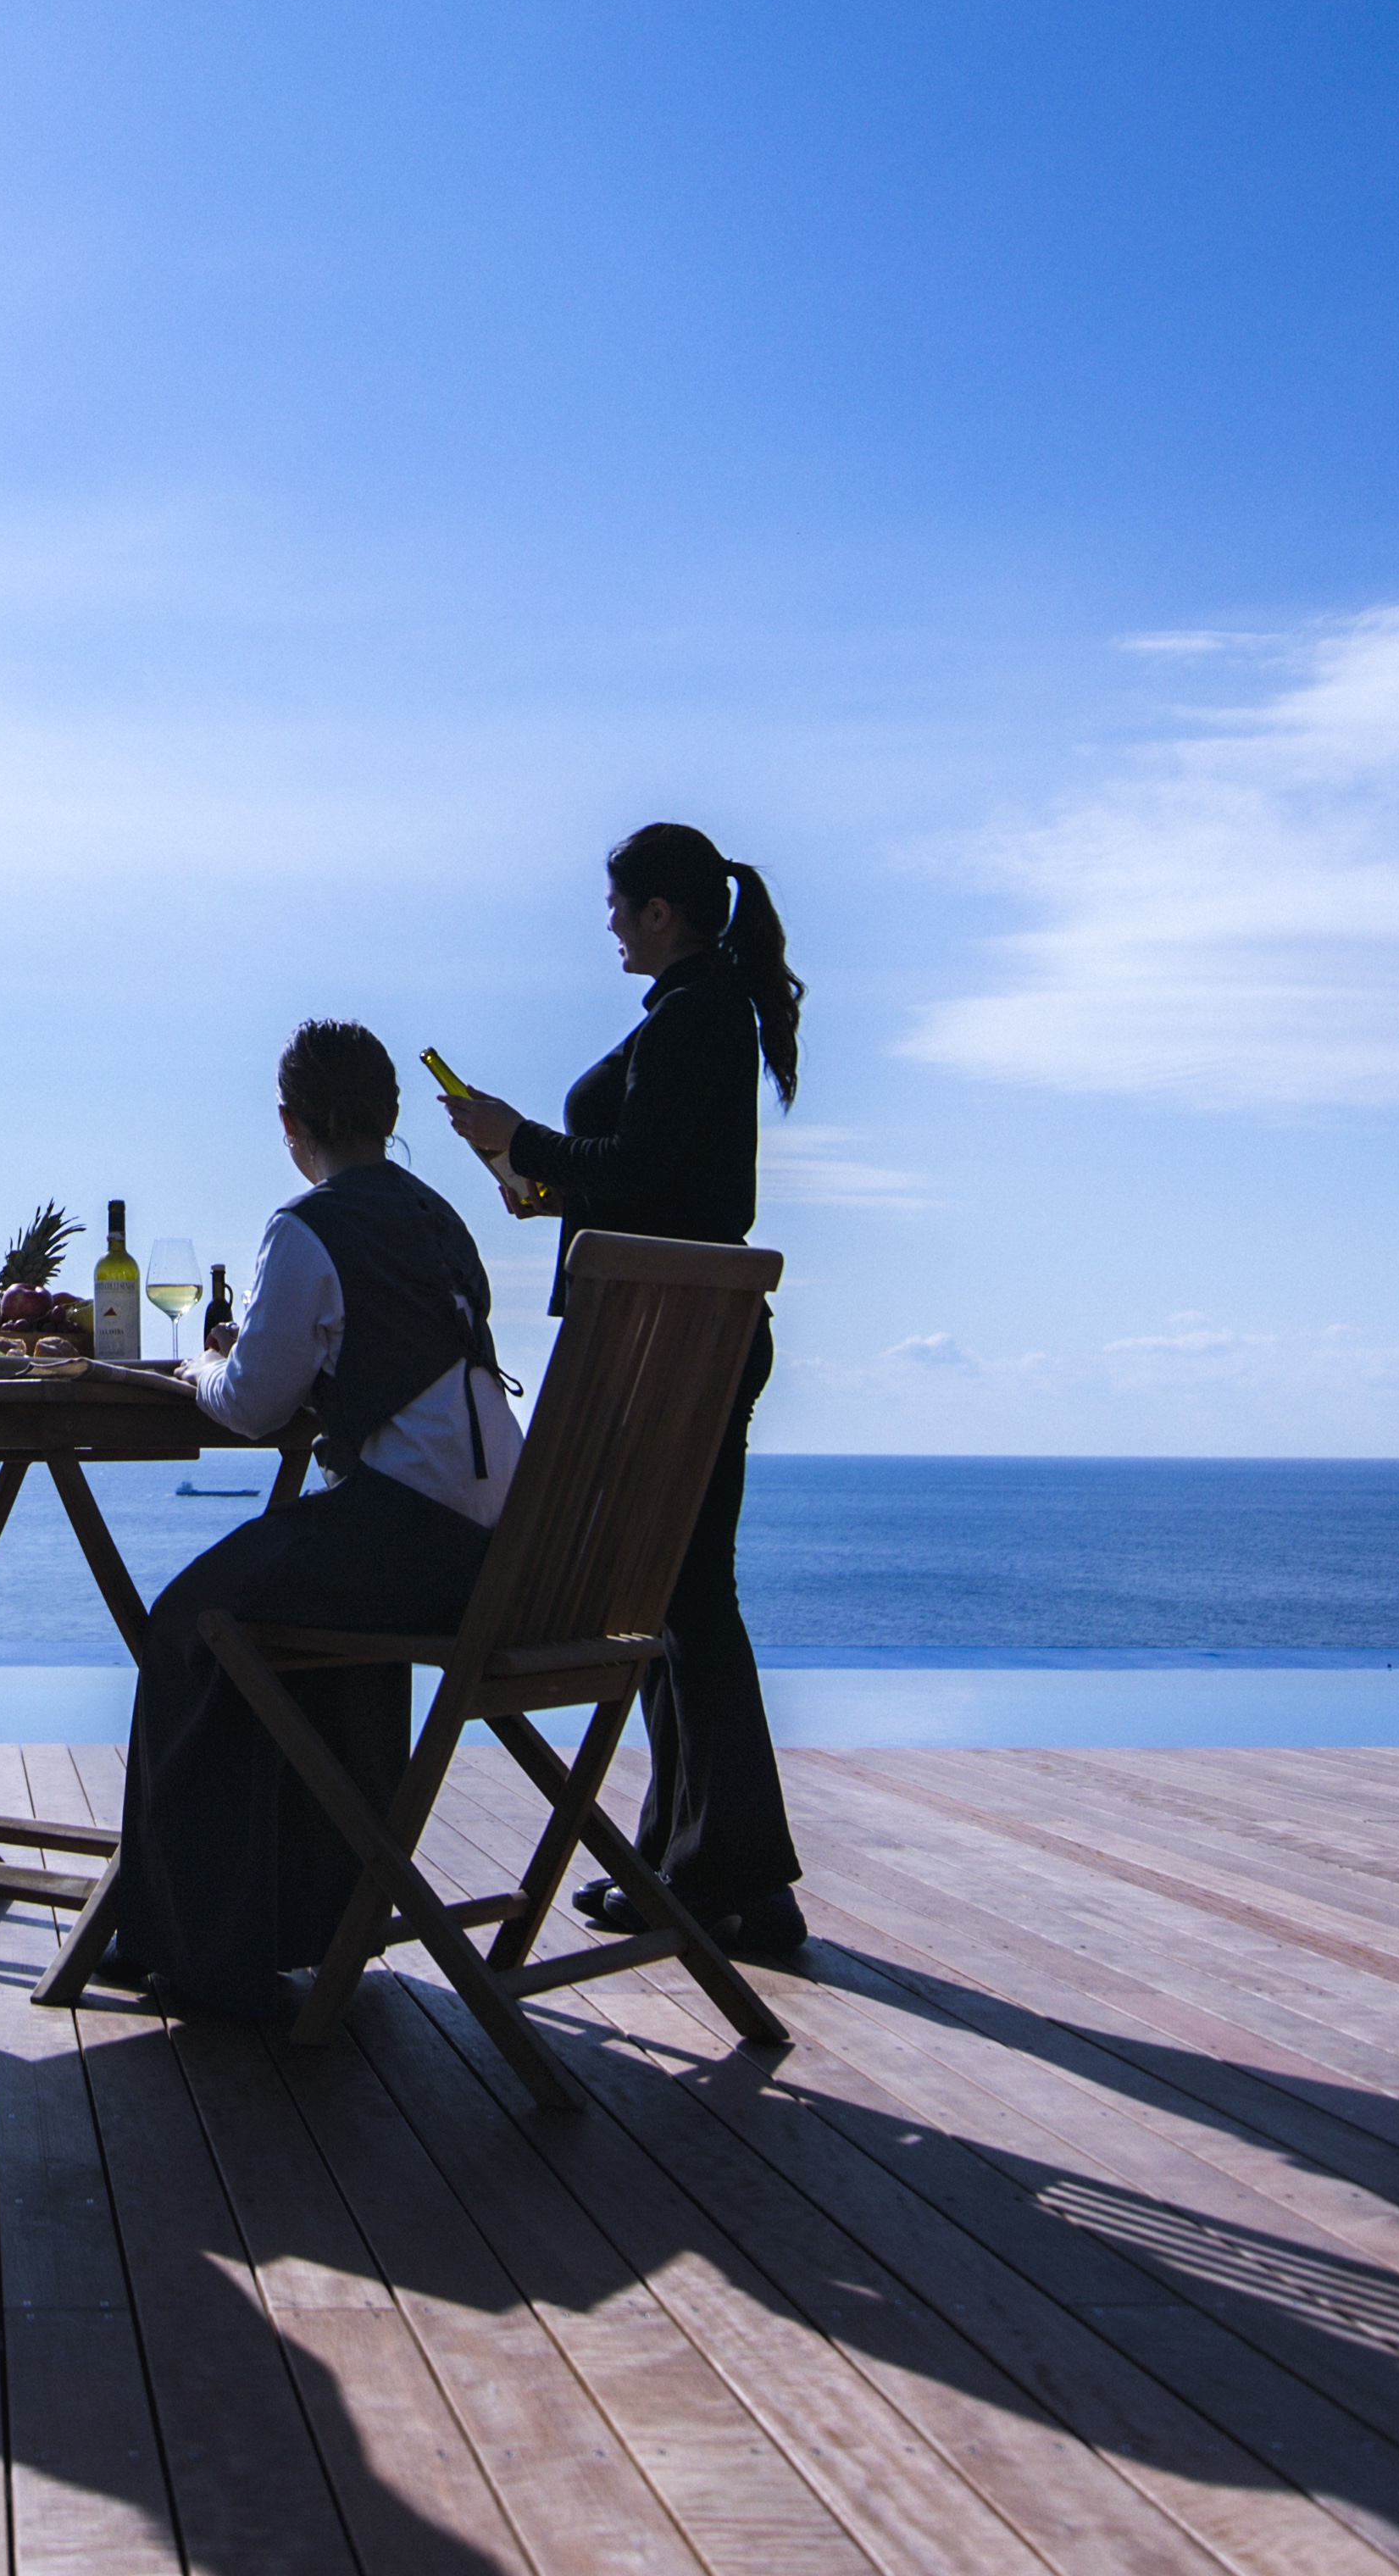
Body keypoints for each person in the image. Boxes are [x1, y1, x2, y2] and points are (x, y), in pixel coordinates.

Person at [97, 1019, 526, 2028]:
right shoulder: (439, 1219)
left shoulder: (308, 1224)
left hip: (405, 1531)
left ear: (290, 1124)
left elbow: (250, 1402)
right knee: (285, 1614)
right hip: (498, 1541)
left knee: (192, 1623)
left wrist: (204, 1366)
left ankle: (193, 1942)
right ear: (390, 1115)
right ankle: (311, 1914)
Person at [432, 819, 810, 1967]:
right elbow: (670, 1182)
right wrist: (544, 1187)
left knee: (687, 1602)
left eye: (618, 907)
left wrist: (522, 1139)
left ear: (661, 913)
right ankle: (688, 1866)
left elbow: (647, 1175)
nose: (606, 925)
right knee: (676, 1600)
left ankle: (737, 1880)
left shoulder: (697, 1018)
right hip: (679, 1333)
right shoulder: (699, 1017)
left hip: (671, 1341)